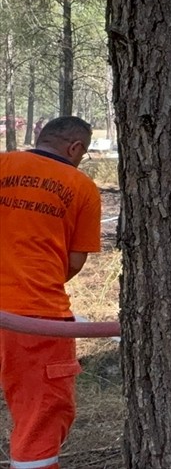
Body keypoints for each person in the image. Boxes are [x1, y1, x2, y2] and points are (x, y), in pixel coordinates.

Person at [0, 116, 102, 469]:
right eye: (83, 153)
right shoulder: (81, 186)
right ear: (75, 148)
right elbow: (74, 262)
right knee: (40, 420)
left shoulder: (3, 164)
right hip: (38, 321)